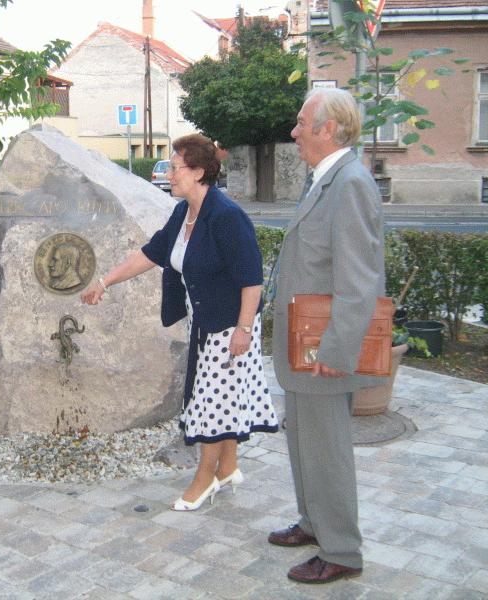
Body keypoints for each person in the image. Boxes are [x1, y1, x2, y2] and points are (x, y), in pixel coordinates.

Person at [81, 133, 278, 511]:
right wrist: (104, 282)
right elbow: (150, 254)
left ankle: (204, 479)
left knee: (208, 405)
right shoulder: (184, 213)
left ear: (199, 172)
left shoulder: (226, 217)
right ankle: (228, 467)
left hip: (229, 327)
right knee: (224, 399)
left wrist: (244, 329)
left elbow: (251, 278)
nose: (169, 174)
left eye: (175, 168)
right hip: (204, 323)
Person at [268, 88, 385, 583]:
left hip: (323, 348)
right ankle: (315, 522)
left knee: (327, 448)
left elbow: (359, 279)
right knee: (304, 442)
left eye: (300, 123)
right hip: (302, 344)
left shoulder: (350, 182)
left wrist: (338, 350)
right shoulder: (324, 179)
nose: (293, 131)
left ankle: (342, 550)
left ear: (327, 129)